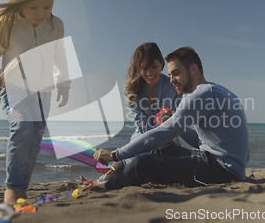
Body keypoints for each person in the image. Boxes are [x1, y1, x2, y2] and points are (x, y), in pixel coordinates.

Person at [94, 46, 249, 189]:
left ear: (193, 69)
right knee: (160, 154)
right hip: (228, 168)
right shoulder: (214, 91)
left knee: (143, 162)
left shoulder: (200, 96)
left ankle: (104, 187)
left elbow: (159, 135)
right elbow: (200, 141)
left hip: (221, 171)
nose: (172, 79)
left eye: (176, 73)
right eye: (170, 75)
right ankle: (109, 178)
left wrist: (114, 154)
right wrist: (175, 125)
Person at [0, 0, 70, 204]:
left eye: (47, 7)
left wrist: (64, 82)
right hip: (14, 88)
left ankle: (22, 189)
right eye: (34, 7)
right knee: (22, 127)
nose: (40, 13)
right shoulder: (7, 22)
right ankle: (11, 189)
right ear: (21, 0)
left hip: (43, 92)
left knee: (34, 140)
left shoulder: (56, 25)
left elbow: (60, 56)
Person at [79, 43, 199, 188]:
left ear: (162, 64)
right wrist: (166, 126)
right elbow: (143, 128)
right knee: (128, 161)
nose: (149, 72)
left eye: (153, 66)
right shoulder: (131, 89)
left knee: (186, 161)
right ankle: (98, 182)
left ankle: (101, 182)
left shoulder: (173, 86)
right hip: (142, 141)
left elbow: (176, 123)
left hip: (167, 143)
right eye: (144, 68)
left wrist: (171, 125)